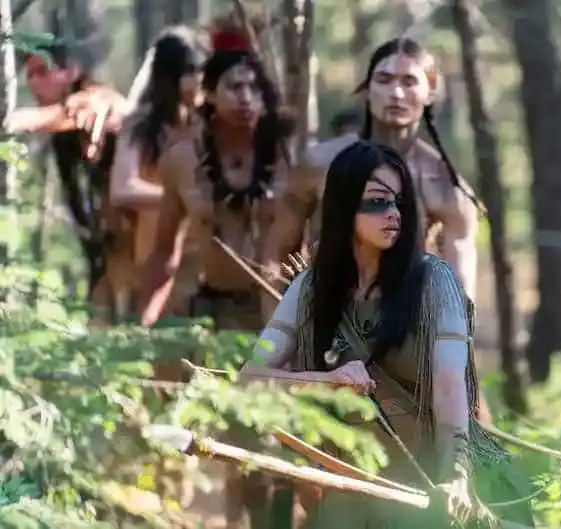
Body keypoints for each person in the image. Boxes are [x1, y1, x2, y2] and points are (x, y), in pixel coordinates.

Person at [241, 140, 532, 529]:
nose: (393, 213)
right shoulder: (309, 289)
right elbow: (250, 379)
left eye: (399, 202)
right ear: (344, 206)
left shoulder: (435, 282)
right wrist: (326, 381)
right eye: (377, 202)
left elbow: (449, 386)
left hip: (439, 487)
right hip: (356, 490)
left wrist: (456, 477)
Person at [263, 37, 494, 424]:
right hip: (321, 328)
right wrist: (282, 335)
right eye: (384, 80)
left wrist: (455, 375)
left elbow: (459, 296)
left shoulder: (447, 187)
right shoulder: (319, 164)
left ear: (431, 90)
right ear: (366, 89)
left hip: (402, 341)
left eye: (409, 81)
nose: (396, 93)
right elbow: (274, 255)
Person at [136, 12, 294, 529]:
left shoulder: (293, 157)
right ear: (208, 93)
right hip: (215, 313)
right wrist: (143, 324)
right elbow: (163, 251)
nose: (246, 97)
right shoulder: (182, 160)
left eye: (254, 87)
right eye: (234, 87)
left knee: (272, 449)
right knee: (231, 441)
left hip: (282, 315)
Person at [7, 40, 129, 324]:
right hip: (105, 240)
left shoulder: (97, 99)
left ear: (70, 71)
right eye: (30, 74)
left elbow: (77, 110)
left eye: (42, 71)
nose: (33, 82)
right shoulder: (64, 135)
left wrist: (14, 121)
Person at [110, 25, 208, 333]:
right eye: (191, 71)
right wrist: (179, 199)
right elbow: (122, 188)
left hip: (208, 265)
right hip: (157, 263)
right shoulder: (141, 124)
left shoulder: (211, 124)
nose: (200, 80)